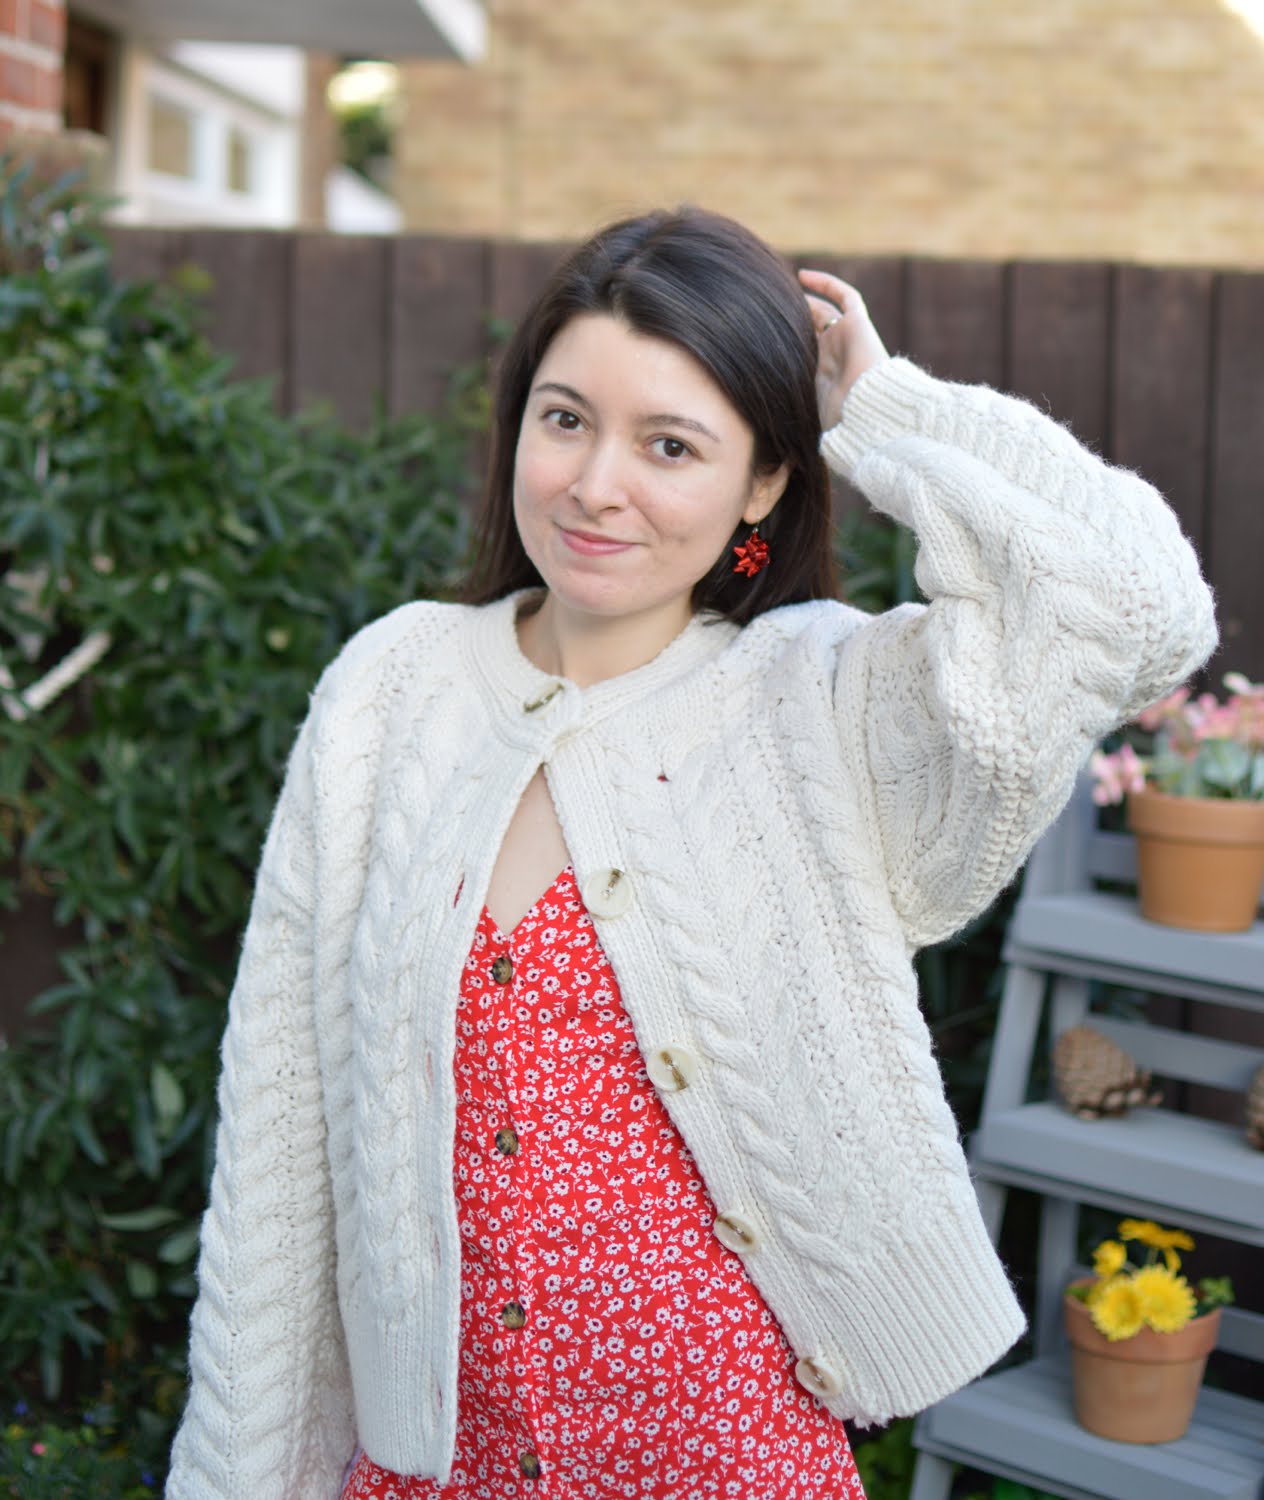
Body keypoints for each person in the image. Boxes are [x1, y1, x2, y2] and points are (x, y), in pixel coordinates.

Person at [164, 207, 1217, 1500]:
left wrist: (886, 408)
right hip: (436, 1464)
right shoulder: (390, 695)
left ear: (765, 482)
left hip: (724, 1455)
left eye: (671, 444)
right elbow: (280, 1146)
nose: (597, 484)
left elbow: (1140, 613)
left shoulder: (823, 703)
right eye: (565, 420)